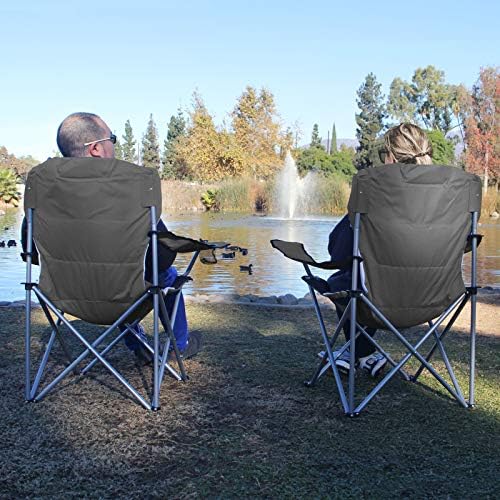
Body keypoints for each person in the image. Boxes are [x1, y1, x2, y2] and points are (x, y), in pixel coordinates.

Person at [22, 112, 202, 363]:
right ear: (95, 148)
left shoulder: (44, 190)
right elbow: (160, 256)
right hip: (122, 296)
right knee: (160, 275)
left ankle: (137, 341)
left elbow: (30, 251)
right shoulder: (131, 187)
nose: (114, 146)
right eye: (112, 139)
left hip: (64, 295)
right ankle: (179, 346)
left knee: (122, 273)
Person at [326, 123, 433, 377]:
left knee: (344, 281)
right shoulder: (449, 195)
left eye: (383, 154)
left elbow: (338, 251)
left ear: (391, 157)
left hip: (379, 301)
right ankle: (363, 354)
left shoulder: (373, 192)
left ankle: (356, 352)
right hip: (432, 299)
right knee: (366, 280)